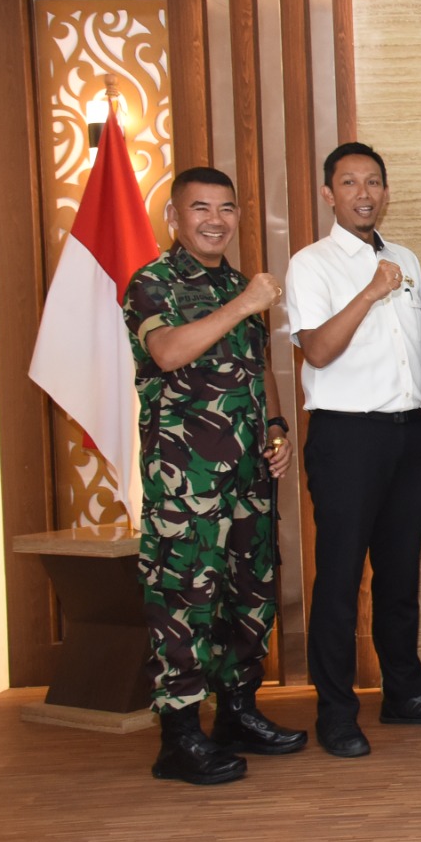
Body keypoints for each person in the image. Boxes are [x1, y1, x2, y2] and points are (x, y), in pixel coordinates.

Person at [284, 141, 421, 758]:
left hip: (406, 433)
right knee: (339, 579)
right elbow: (317, 350)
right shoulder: (311, 264)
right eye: (349, 182)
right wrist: (368, 291)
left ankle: (404, 694)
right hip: (346, 437)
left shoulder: (404, 258)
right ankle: (336, 712)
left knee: (399, 575)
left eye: (373, 182)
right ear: (328, 194)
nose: (363, 193)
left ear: (386, 192)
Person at [124, 166, 304, 785]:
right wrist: (245, 303)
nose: (215, 220)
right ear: (174, 218)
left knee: (249, 596)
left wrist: (276, 430)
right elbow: (168, 352)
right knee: (186, 599)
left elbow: (259, 368)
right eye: (200, 208)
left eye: (226, 208)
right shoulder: (153, 282)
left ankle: (236, 713)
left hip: (249, 476)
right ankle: (178, 738)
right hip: (187, 481)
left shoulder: (235, 284)